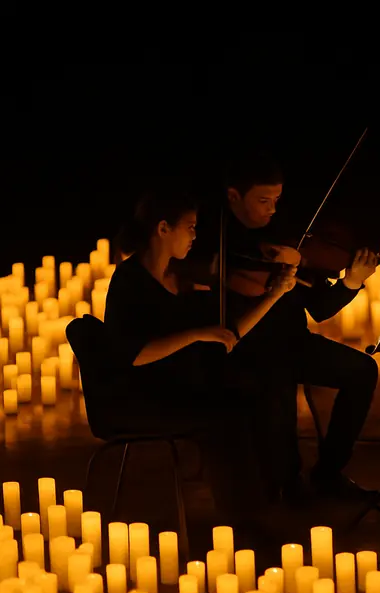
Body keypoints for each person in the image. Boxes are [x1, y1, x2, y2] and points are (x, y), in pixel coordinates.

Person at [210, 150, 380, 503]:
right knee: (276, 379)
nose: (272, 209)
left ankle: (328, 472)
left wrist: (352, 282)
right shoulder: (215, 238)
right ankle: (286, 483)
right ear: (233, 197)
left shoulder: (288, 237)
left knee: (362, 370)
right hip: (241, 348)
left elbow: (320, 308)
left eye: (277, 200)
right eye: (263, 200)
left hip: (291, 343)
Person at [102, 189, 295, 527]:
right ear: (163, 228)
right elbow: (131, 355)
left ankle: (271, 497)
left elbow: (227, 333)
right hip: (145, 397)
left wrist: (274, 295)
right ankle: (245, 521)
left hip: (182, 384)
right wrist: (195, 335)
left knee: (262, 391)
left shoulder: (179, 278)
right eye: (189, 227)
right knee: (227, 417)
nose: (195, 235)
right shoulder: (129, 281)